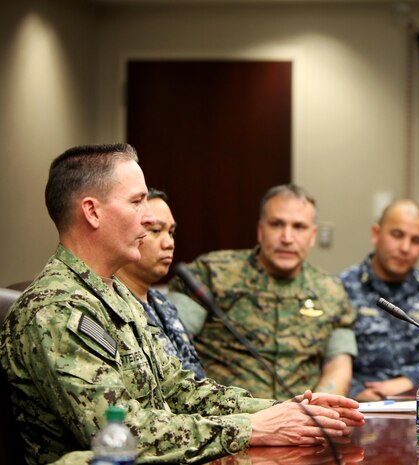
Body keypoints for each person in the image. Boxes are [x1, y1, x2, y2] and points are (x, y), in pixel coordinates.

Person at [0, 144, 363, 465]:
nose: (148, 216)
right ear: (92, 212)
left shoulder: (115, 294)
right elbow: (121, 434)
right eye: (136, 201)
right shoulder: (57, 310)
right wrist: (251, 427)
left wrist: (284, 411)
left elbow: (177, 389)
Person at [169, 184, 356, 399]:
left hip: (303, 419)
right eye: (276, 224)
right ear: (260, 230)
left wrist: (318, 408)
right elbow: (171, 345)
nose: (287, 237)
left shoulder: (331, 291)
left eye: (299, 227)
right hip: (229, 421)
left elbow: (338, 364)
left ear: (312, 235)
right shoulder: (211, 273)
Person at [339, 200, 419, 400]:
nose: (405, 248)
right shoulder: (341, 288)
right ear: (376, 234)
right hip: (357, 405)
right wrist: (357, 393)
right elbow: (327, 360)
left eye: (415, 240)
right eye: (397, 235)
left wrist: (409, 380)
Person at [115, 187, 206, 380]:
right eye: (156, 230)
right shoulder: (110, 303)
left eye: (171, 232)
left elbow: (194, 381)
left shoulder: (162, 304)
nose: (169, 243)